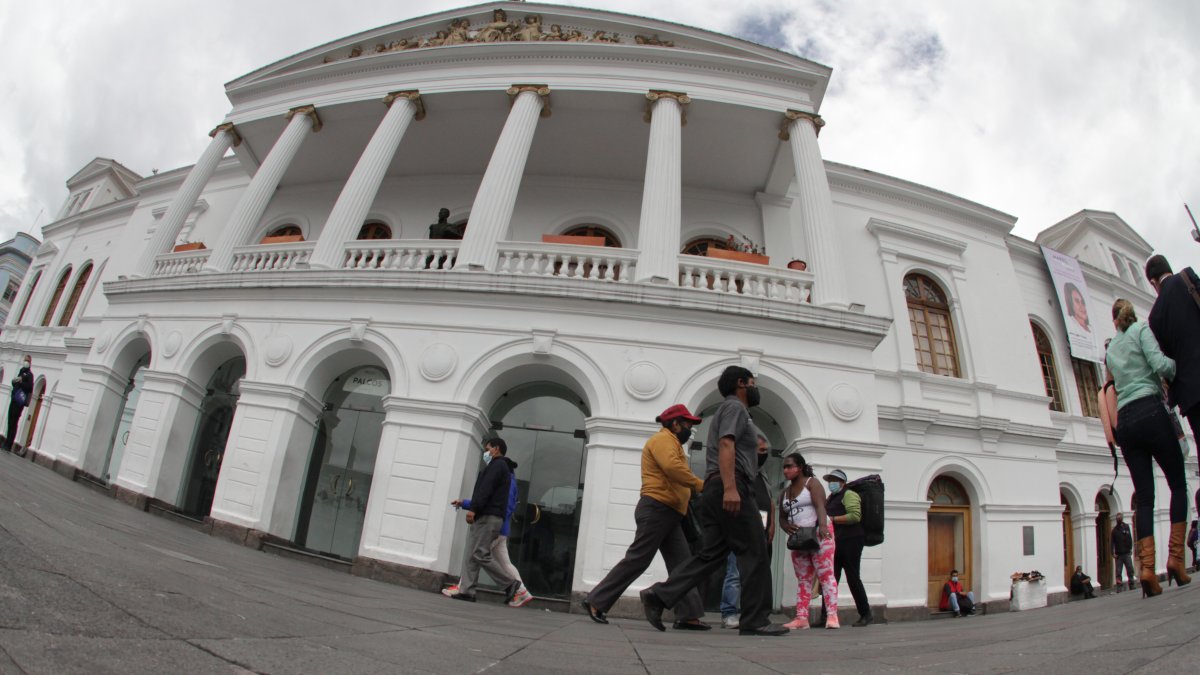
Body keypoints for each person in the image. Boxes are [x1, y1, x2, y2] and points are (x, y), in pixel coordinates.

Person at [640, 366, 788, 636]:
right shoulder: (734, 407)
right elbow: (726, 444)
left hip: (716, 487)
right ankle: (755, 620)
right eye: (752, 383)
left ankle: (659, 595)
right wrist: (731, 488)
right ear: (741, 383)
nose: (755, 389)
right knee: (755, 552)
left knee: (710, 555)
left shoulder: (733, 411)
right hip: (730, 485)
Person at [581, 404, 709, 630]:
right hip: (657, 509)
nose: (690, 429)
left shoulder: (672, 443)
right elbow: (672, 468)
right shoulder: (663, 439)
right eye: (687, 425)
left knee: (682, 565)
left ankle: (688, 615)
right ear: (675, 424)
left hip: (669, 512)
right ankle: (596, 601)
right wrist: (700, 485)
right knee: (638, 559)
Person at [1107, 298, 1190, 595]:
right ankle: (1176, 560)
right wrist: (1178, 364)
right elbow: (1160, 365)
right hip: (1151, 410)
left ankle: (1147, 570)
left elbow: (1113, 386)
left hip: (1126, 421)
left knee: (1144, 498)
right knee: (1178, 485)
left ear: (1114, 320)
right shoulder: (1141, 329)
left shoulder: (1111, 349)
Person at [444, 453, 532, 607]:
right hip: (501, 529)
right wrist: (465, 503)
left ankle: (464, 588)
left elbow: (503, 506)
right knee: (504, 563)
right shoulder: (510, 481)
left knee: (476, 554)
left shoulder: (507, 482)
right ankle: (522, 592)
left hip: (496, 529)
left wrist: (495, 526)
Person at [718, 429, 775, 630]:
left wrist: (772, 526)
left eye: (765, 451)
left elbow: (770, 501)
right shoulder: (740, 471)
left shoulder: (763, 475)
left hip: (761, 530)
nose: (762, 454)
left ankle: (752, 613)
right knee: (735, 572)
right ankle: (729, 613)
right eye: (759, 450)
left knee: (757, 573)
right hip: (742, 528)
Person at [779, 453, 839, 629]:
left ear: (800, 467)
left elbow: (820, 505)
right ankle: (801, 618)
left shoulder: (812, 483)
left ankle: (832, 616)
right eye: (784, 467)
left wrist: (823, 526)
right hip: (800, 539)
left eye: (789, 466)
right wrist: (786, 526)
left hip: (819, 534)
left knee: (826, 575)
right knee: (803, 578)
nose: (785, 470)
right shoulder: (785, 492)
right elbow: (782, 517)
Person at [1145, 255, 1200, 446]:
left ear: (1153, 282)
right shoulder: (1186, 277)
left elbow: (1168, 361)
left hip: (1191, 394)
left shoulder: (1155, 316)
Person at [817, 468, 871, 627]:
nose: (831, 483)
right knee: (830, 578)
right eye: (829, 480)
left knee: (853, 577)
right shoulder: (831, 498)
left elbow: (855, 516)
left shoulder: (849, 494)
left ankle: (866, 614)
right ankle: (826, 616)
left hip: (851, 540)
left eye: (834, 480)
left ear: (842, 482)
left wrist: (832, 519)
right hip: (836, 541)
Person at [4, 355, 33, 453]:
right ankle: (6, 442)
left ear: (30, 362)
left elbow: (29, 387)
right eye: (25, 360)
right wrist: (14, 381)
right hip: (14, 398)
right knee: (10, 420)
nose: (26, 362)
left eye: (27, 360)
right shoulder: (21, 371)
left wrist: (21, 382)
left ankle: (9, 444)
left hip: (20, 401)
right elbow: (16, 384)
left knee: (14, 421)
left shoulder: (29, 375)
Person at [1111, 512, 1135, 592]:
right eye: (1117, 518)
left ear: (1122, 518)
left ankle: (1131, 584)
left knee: (1130, 569)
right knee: (1118, 572)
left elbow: (1129, 538)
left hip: (1127, 552)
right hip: (1119, 555)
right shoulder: (1114, 530)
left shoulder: (1126, 527)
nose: (1119, 519)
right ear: (1116, 519)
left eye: (1120, 518)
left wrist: (1130, 548)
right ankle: (1119, 587)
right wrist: (1112, 553)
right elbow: (1112, 542)